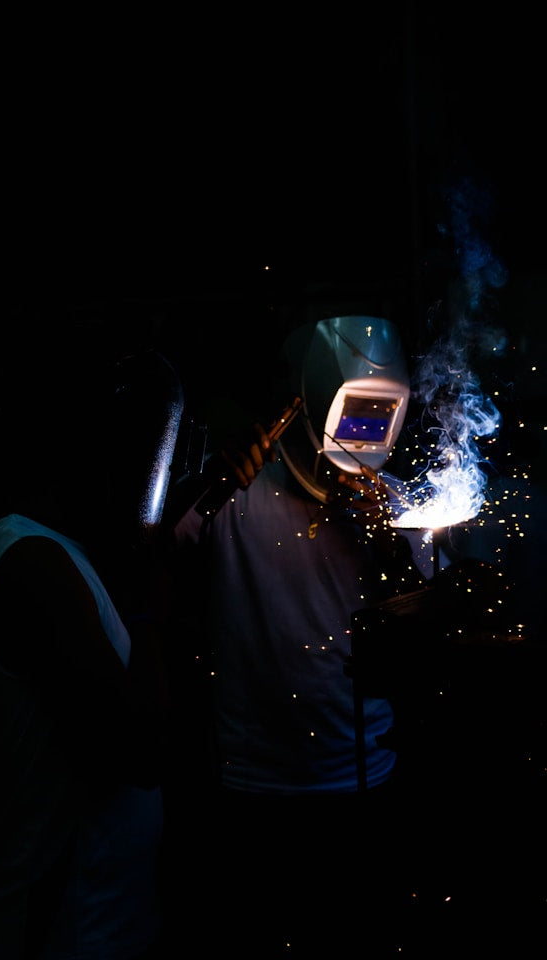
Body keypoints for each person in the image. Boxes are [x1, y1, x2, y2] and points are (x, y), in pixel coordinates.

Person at [160, 314, 428, 959]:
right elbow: (149, 566)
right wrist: (214, 479)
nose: (363, 437)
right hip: (252, 791)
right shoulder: (234, 497)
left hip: (365, 783)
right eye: (353, 414)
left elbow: (424, 643)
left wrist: (388, 542)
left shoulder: (401, 510)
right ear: (310, 403)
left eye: (377, 417)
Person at [0, 323, 184, 960]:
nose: (156, 478)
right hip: (64, 935)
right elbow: (140, 751)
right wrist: (152, 611)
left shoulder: (66, 554)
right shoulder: (35, 563)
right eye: (154, 456)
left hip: (101, 924)